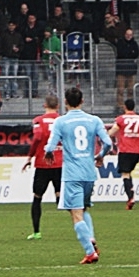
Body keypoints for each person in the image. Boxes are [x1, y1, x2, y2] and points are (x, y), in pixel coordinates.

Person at [44, 87, 113, 265]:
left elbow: (50, 146)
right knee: (82, 209)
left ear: (65, 102)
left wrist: (48, 153)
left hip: (72, 174)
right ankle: (90, 239)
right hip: (89, 173)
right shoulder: (94, 120)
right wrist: (100, 156)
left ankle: (90, 252)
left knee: (75, 214)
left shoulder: (61, 122)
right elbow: (108, 142)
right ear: (82, 101)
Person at [22, 94, 62, 241]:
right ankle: (80, 224)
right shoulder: (62, 120)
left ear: (44, 105)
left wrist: (29, 157)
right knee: (61, 196)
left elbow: (37, 138)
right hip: (59, 163)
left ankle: (37, 232)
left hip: (43, 164)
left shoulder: (38, 121)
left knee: (37, 198)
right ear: (58, 106)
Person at [107, 99, 139, 210]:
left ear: (125, 107)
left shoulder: (121, 119)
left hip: (125, 150)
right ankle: (131, 193)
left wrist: (106, 136)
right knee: (128, 173)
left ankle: (130, 198)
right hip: (137, 151)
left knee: (125, 174)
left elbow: (111, 132)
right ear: (134, 107)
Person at [114, 28, 139, 114]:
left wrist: (129, 54)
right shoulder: (120, 43)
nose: (129, 36)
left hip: (131, 70)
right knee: (120, 89)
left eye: (130, 35)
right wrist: (130, 53)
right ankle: (120, 106)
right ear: (125, 34)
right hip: (121, 69)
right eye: (127, 34)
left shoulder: (134, 43)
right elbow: (121, 53)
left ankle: (130, 106)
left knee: (130, 90)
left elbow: (136, 54)